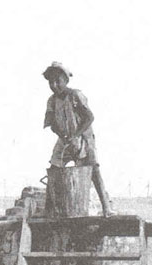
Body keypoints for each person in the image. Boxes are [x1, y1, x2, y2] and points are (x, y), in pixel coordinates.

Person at [43, 61, 114, 217]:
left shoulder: (75, 95)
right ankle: (48, 210)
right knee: (54, 170)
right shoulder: (52, 101)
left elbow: (89, 117)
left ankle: (106, 207)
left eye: (58, 81)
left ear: (65, 80)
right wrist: (63, 136)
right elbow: (51, 124)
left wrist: (75, 135)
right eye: (51, 82)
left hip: (83, 137)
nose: (54, 85)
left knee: (93, 170)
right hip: (65, 139)